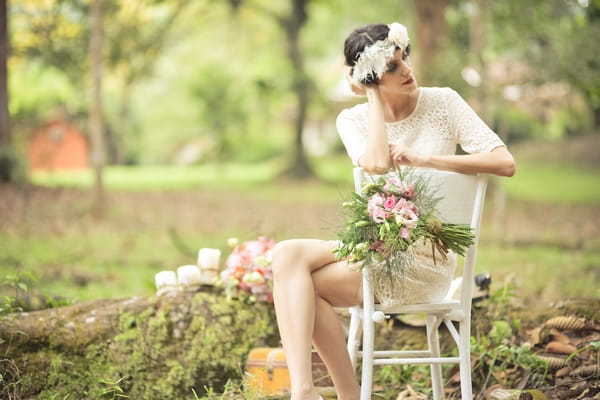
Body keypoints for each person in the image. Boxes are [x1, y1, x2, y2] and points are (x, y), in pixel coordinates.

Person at [271, 22, 516, 400]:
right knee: (286, 254)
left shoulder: (445, 102)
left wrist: (426, 159)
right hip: (376, 249)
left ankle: (346, 395)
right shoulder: (352, 120)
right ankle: (303, 391)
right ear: (369, 81)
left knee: (305, 287)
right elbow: (376, 163)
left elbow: (505, 162)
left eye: (404, 60)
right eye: (391, 69)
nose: (406, 71)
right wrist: (373, 100)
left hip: (426, 261)